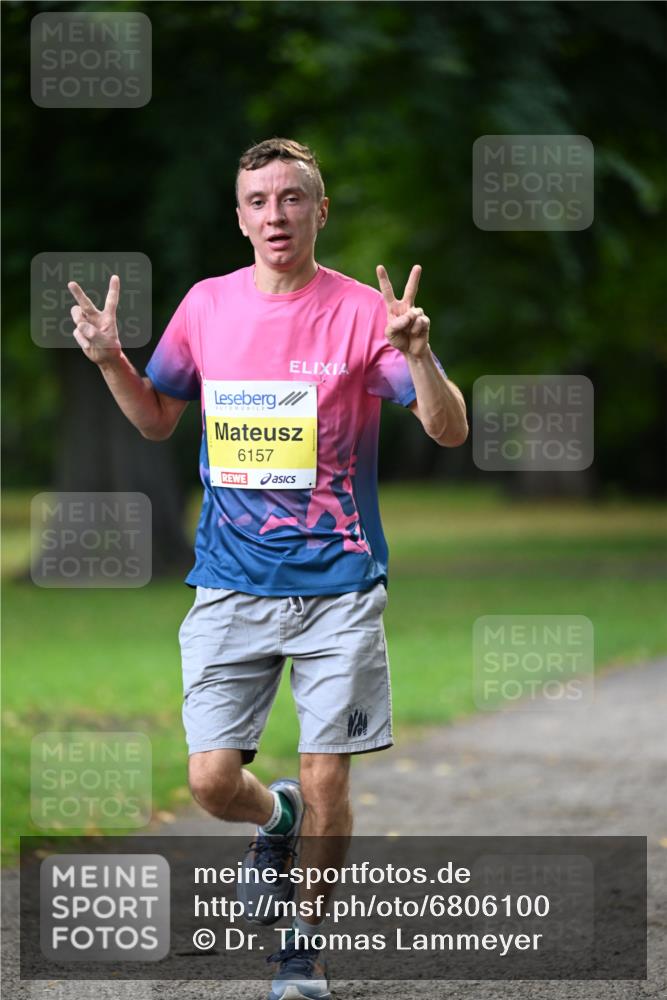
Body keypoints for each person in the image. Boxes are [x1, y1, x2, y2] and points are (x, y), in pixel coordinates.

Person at [67, 137, 468, 1000]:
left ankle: (303, 948)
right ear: (239, 215)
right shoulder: (207, 306)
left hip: (340, 586)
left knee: (330, 773)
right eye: (258, 201)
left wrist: (422, 353)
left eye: (292, 198)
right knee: (211, 782)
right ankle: (272, 815)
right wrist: (110, 361)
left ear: (319, 210)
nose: (275, 215)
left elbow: (447, 431)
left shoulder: (367, 313)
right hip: (230, 579)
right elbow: (155, 420)